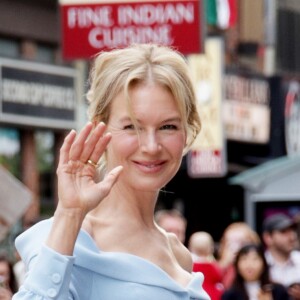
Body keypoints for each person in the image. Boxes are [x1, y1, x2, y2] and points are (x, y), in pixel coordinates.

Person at [12, 43, 209, 299]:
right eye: (131, 127)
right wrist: (70, 214)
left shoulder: (177, 253)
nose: (151, 146)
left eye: (168, 126)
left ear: (187, 130)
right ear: (100, 129)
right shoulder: (73, 239)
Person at [221, 243, 290, 300]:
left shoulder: (278, 291)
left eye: (255, 259)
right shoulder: (230, 295)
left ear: (264, 264)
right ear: (237, 266)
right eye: (244, 259)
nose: (249, 264)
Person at [262, 213, 300, 300]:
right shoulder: (259, 265)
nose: (292, 237)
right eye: (283, 232)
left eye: (292, 231)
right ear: (268, 238)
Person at [217, 222, 261, 290]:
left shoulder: (261, 268)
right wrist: (224, 264)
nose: (236, 248)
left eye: (242, 243)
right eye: (230, 244)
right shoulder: (216, 269)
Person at [189, 231, 224, 300]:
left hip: (195, 293)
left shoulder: (190, 264)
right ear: (210, 248)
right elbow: (218, 276)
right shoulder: (211, 265)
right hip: (211, 294)